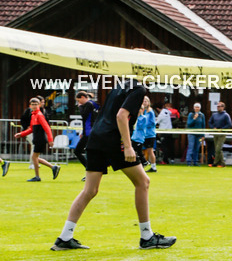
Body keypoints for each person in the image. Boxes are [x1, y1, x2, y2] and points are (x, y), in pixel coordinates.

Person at [51, 78, 176, 251]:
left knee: (90, 190)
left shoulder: (119, 87)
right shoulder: (138, 89)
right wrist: (128, 146)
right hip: (113, 140)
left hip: (96, 138)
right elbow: (121, 116)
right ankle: (147, 236)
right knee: (143, 182)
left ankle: (64, 237)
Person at [14, 98, 60, 182]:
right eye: (33, 104)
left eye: (36, 104)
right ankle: (53, 167)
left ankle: (37, 177)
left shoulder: (39, 115)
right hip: (37, 139)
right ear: (30, 106)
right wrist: (21, 134)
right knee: (35, 157)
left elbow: (47, 128)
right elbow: (31, 129)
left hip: (40, 139)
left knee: (34, 157)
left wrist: (51, 140)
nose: (34, 106)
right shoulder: (33, 115)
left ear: (39, 105)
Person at [73, 90, 99, 171]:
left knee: (77, 151)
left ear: (83, 97)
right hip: (92, 131)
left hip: (88, 133)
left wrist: (80, 107)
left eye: (78, 100)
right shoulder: (94, 104)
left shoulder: (88, 104)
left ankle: (90, 170)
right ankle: (91, 170)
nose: (78, 102)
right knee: (90, 152)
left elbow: (84, 116)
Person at [133, 95, 157, 171]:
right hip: (143, 135)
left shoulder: (150, 112)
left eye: (146, 101)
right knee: (140, 150)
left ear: (148, 102)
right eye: (143, 101)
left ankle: (153, 167)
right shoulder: (143, 112)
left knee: (150, 150)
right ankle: (141, 163)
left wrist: (143, 124)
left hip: (150, 134)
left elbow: (152, 123)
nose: (144, 102)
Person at [207, 100, 232, 167]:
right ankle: (223, 163)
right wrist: (213, 128)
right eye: (217, 106)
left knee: (218, 148)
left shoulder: (226, 115)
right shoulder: (214, 114)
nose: (218, 107)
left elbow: (229, 124)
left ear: (223, 107)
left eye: (219, 106)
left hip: (222, 134)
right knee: (217, 149)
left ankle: (215, 163)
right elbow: (210, 122)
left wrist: (222, 129)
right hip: (215, 133)